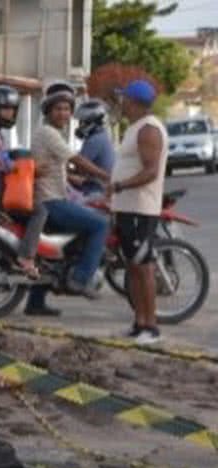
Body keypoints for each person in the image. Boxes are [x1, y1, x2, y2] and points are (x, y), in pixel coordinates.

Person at [27, 82, 112, 301]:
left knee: (52, 252)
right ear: (48, 111)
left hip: (51, 198)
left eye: (67, 109)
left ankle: (35, 302)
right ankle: (81, 279)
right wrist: (106, 176)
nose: (63, 113)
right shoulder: (49, 133)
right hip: (51, 201)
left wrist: (74, 177)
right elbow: (77, 160)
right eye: (58, 109)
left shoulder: (49, 133)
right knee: (101, 224)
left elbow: (60, 166)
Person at [109, 79, 169, 345]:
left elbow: (150, 171)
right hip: (126, 207)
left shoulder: (149, 130)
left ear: (133, 102)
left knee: (144, 268)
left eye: (124, 99)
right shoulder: (134, 128)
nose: (121, 103)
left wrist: (120, 185)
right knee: (132, 266)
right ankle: (139, 322)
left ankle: (151, 327)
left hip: (140, 209)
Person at [70, 99, 116, 198]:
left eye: (83, 122)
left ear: (93, 122)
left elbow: (80, 168)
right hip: (100, 187)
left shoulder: (94, 140)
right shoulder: (102, 136)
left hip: (96, 190)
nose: (80, 126)